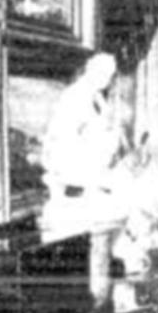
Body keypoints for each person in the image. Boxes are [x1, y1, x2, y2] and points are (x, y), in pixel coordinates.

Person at [42, 53, 123, 203]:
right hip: (74, 168)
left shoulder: (97, 97)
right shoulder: (74, 95)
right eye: (104, 74)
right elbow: (64, 138)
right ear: (91, 71)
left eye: (110, 76)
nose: (108, 80)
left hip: (93, 167)